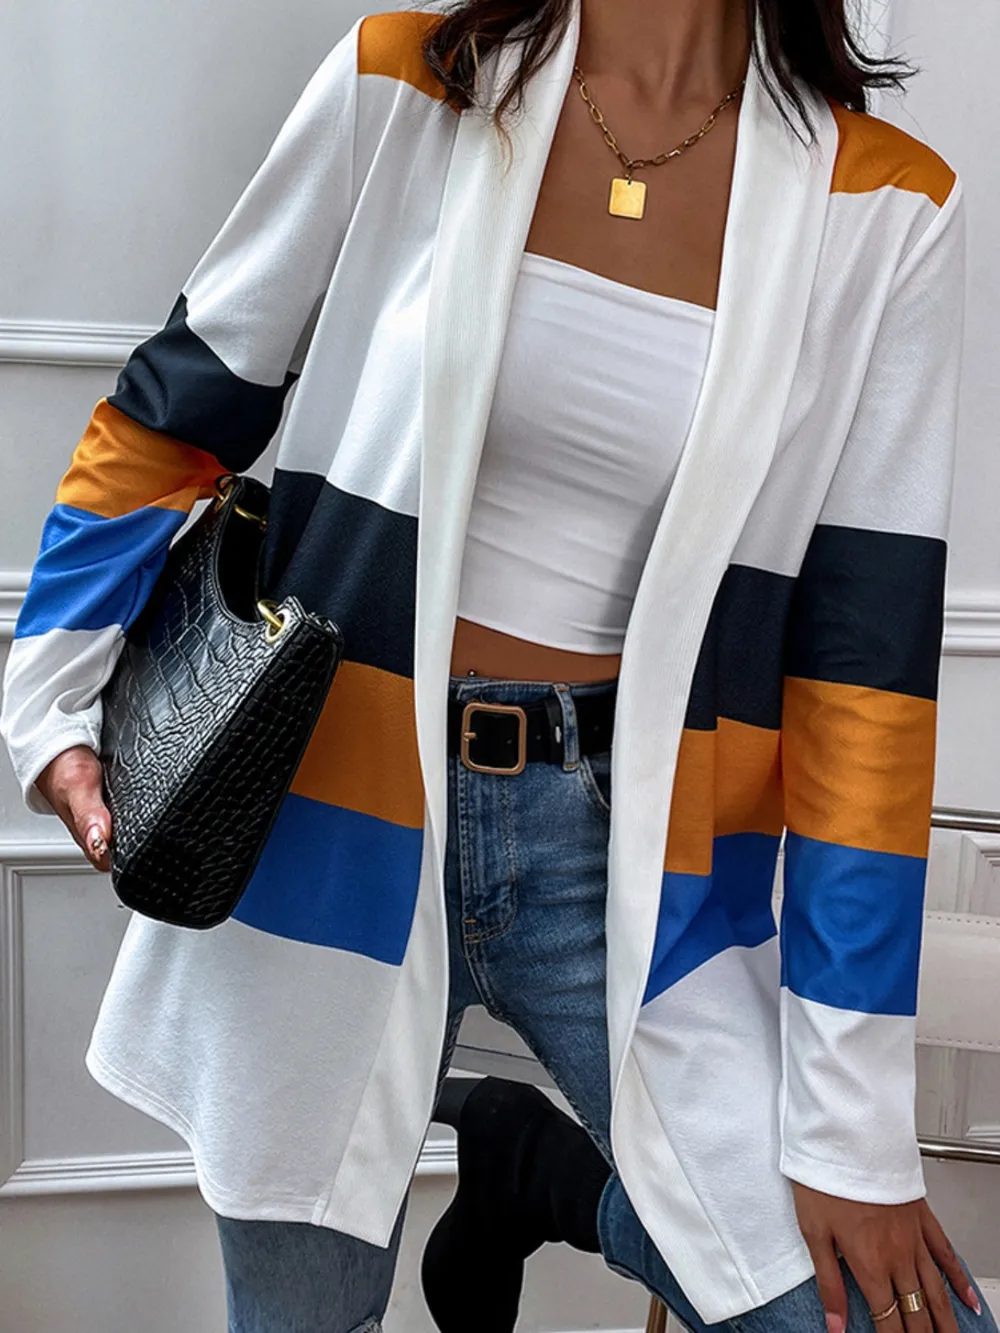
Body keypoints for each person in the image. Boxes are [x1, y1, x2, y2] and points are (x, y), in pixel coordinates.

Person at [0, 0, 988, 1329]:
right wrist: (48, 699)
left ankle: (542, 1176)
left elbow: (865, 686)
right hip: (335, 807)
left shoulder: (887, 209)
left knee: (853, 1311)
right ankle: (540, 1168)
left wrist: (853, 1139)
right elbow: (176, 408)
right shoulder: (407, 86)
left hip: (635, 850)